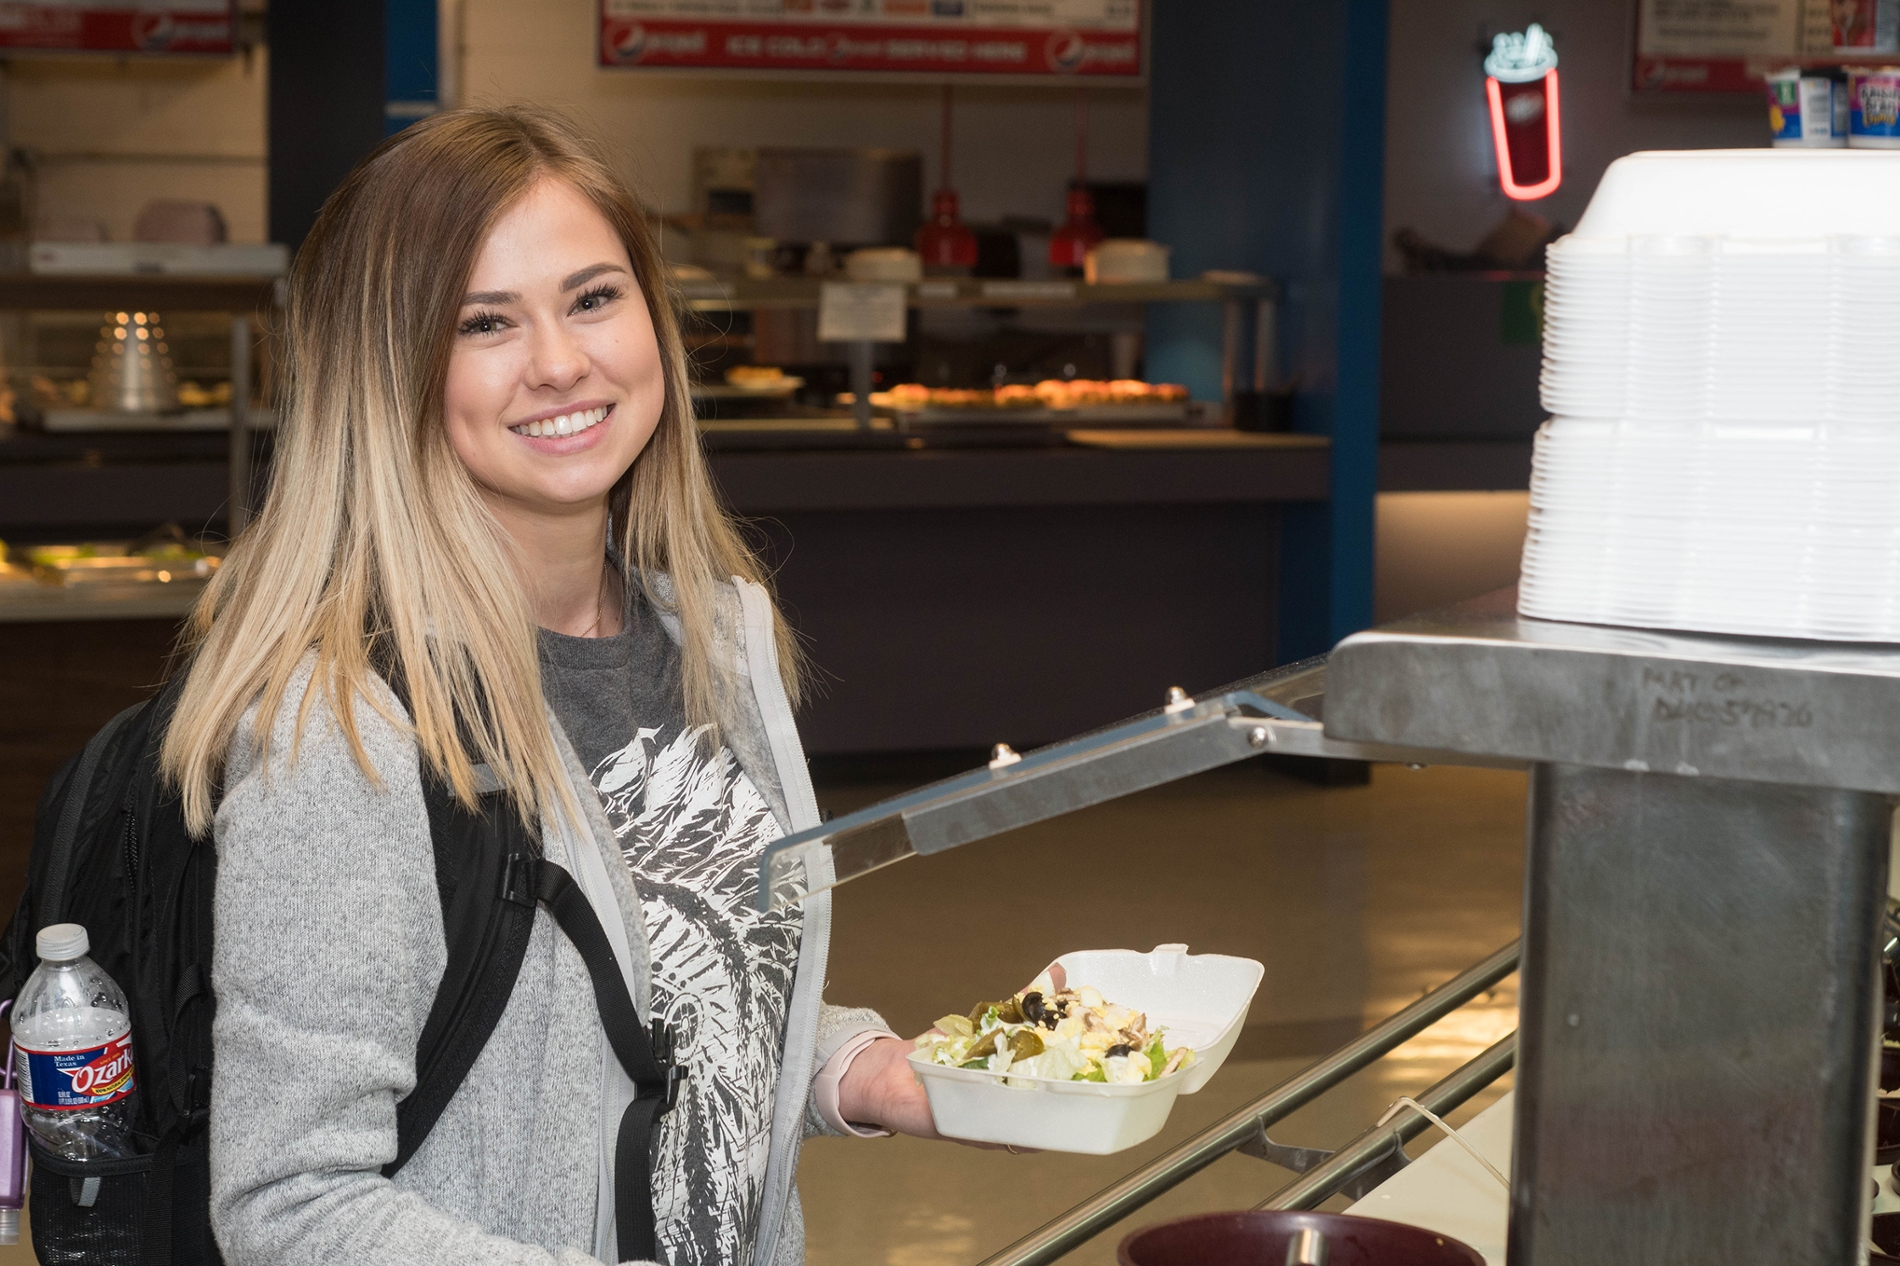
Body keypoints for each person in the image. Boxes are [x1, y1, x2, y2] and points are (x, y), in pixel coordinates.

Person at [158, 105, 959, 1266]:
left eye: (593, 297)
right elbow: (290, 1203)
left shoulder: (711, 638)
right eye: (484, 322)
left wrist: (860, 1071)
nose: (560, 362)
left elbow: (656, 984)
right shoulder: (348, 727)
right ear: (387, 374)